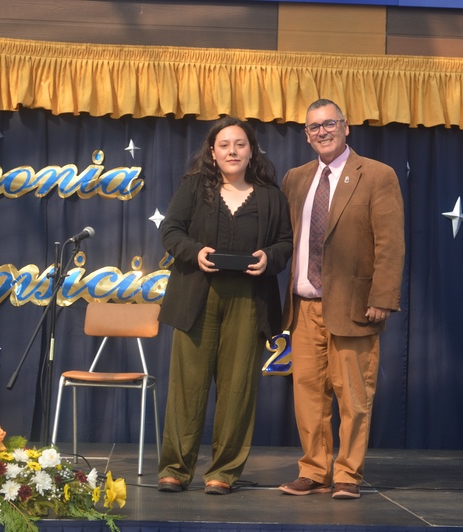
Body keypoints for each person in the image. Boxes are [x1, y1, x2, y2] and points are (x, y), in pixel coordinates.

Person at [156, 116, 293, 495]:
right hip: (196, 299)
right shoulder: (193, 187)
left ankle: (224, 472)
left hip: (249, 301)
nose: (232, 151)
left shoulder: (272, 196)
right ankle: (174, 469)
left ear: (252, 151)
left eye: (240, 144)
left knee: (238, 389)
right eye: (224, 145)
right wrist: (195, 251)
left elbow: (285, 243)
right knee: (187, 387)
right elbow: (170, 230)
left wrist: (269, 258)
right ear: (212, 153)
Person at [278, 99, 405, 499]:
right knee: (308, 396)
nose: (322, 132)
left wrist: (382, 296)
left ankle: (348, 474)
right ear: (306, 135)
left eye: (329, 124)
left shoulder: (377, 175)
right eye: (314, 127)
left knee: (353, 396)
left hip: (355, 306)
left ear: (346, 127)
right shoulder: (295, 178)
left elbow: (390, 244)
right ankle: (314, 471)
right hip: (303, 308)